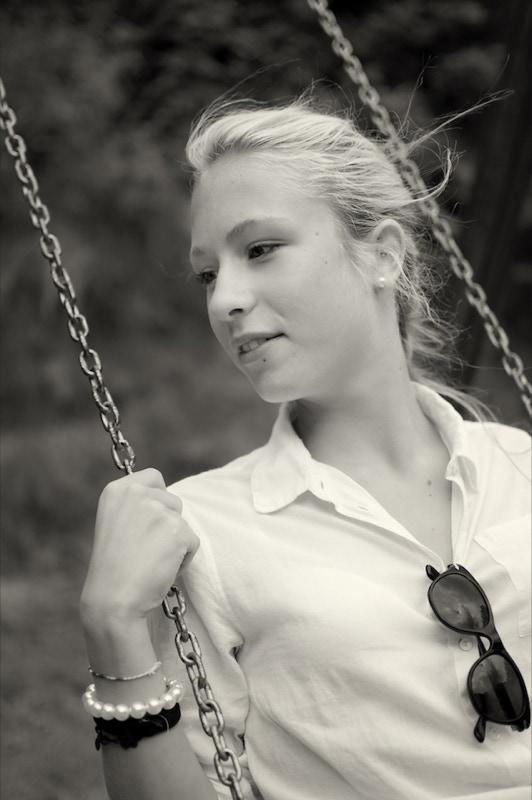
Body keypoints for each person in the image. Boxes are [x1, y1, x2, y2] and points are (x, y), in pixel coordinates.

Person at [79, 95, 531, 800]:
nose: (224, 300)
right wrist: (112, 626)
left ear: (382, 253)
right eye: (208, 273)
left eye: (260, 250)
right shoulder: (202, 532)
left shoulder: (517, 461)